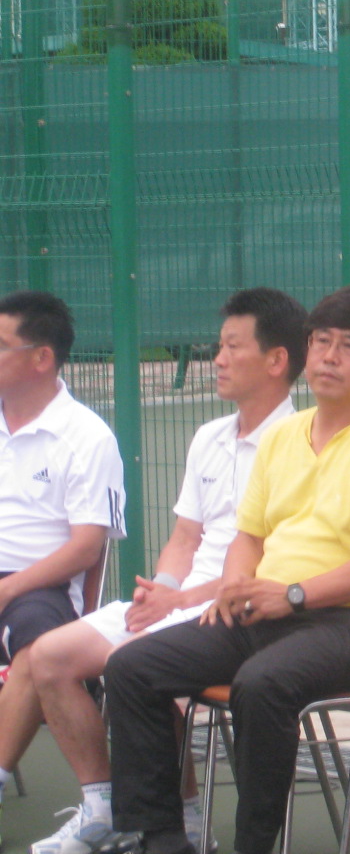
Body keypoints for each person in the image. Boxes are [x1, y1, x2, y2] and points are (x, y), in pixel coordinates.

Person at [104, 285, 350, 854]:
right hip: (270, 615)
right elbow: (250, 536)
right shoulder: (284, 435)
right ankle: (163, 838)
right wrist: (236, 585)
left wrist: (295, 594)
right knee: (132, 667)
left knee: (262, 684)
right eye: (321, 341)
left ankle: (253, 845)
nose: (328, 356)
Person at [20, 289, 306, 854]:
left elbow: (271, 562)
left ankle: (184, 821)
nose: (217, 359)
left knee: (139, 666)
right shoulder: (208, 438)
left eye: (232, 347)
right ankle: (103, 809)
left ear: (276, 360)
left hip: (243, 613)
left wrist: (181, 603)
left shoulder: (300, 445)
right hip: (184, 604)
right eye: (218, 346)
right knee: (47, 656)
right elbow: (184, 537)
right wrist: (164, 591)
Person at [0, 292, 126, 842]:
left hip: (42, 587)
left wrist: (8, 591)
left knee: (36, 648)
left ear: (41, 358)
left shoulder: (87, 436)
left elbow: (85, 549)